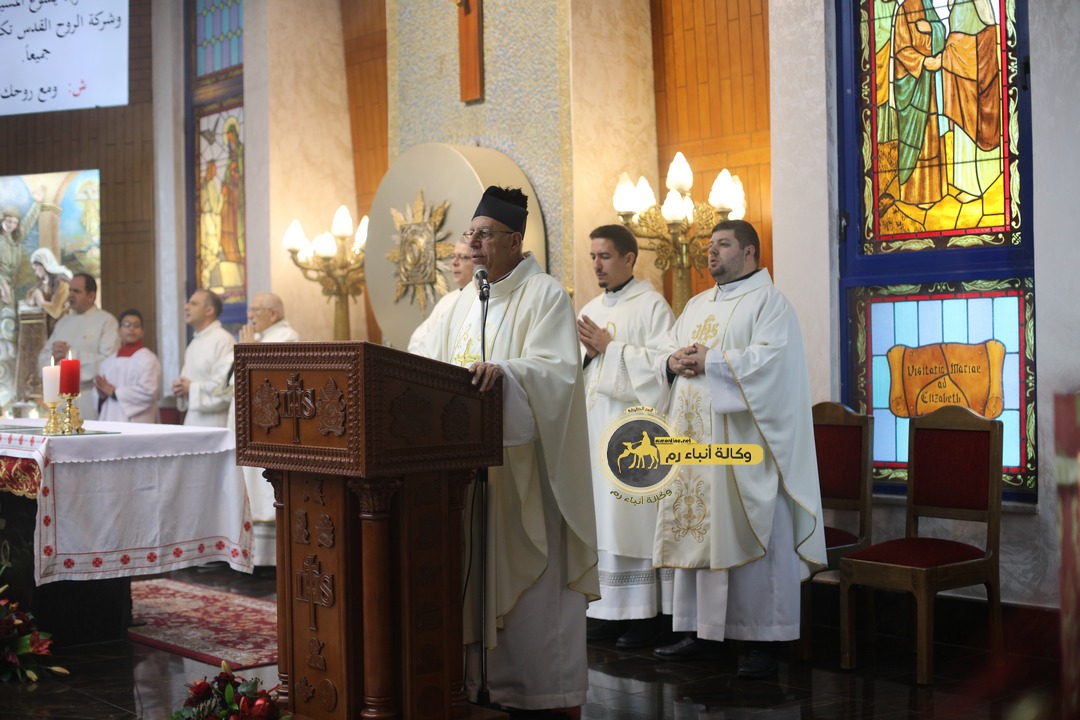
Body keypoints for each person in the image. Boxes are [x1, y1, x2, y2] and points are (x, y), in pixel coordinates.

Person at [415, 186, 598, 716]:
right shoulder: (460, 301)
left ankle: (540, 692)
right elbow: (424, 362)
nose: (473, 242)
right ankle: (478, 683)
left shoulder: (545, 295)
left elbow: (557, 373)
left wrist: (508, 374)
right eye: (469, 233)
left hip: (526, 477)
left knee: (533, 599)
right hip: (468, 475)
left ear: (515, 240)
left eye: (485, 234)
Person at [651, 219, 826, 679]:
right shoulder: (695, 305)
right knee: (698, 529)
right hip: (694, 448)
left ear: (749, 252)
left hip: (745, 450)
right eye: (710, 245)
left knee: (751, 530)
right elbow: (666, 351)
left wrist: (712, 360)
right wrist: (672, 361)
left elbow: (773, 365)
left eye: (723, 245)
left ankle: (761, 639)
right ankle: (701, 632)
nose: (711, 253)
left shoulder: (771, 303)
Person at [576, 224, 674, 649]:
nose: (596, 265)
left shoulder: (653, 306)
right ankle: (606, 611)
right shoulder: (590, 308)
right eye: (593, 257)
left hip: (634, 435)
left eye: (605, 256)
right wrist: (586, 354)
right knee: (601, 522)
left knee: (630, 521)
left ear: (629, 258)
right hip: (595, 431)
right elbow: (577, 372)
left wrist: (610, 347)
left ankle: (643, 615)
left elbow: (666, 370)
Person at [230, 291, 301, 567]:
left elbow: (275, 384)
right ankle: (248, 556)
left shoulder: (287, 337)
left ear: (273, 313)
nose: (249, 315)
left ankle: (268, 560)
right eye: (249, 310)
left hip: (268, 428)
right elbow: (233, 382)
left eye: (256, 310)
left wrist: (249, 351)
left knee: (262, 489)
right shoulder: (259, 337)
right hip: (246, 426)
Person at [37, 273, 120, 420]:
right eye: (70, 290)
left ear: (91, 296)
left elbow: (109, 363)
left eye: (76, 291)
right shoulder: (63, 322)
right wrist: (53, 359)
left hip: (90, 398)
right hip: (60, 399)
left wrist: (71, 355)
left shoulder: (106, 321)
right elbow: (44, 356)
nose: (70, 295)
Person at [891, 0, 947, 207]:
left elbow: (941, 29)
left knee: (931, 133)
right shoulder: (904, 10)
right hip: (912, 84)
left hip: (928, 83)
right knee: (915, 138)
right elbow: (901, 49)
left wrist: (932, 28)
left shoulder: (927, 5)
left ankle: (934, 191)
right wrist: (923, 61)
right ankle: (914, 194)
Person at [172, 289, 235, 427]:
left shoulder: (223, 340)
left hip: (214, 423)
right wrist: (181, 388)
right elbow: (187, 381)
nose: (186, 307)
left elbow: (225, 390)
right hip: (192, 420)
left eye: (194, 304)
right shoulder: (193, 344)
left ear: (209, 310)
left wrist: (191, 388)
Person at [94, 309, 162, 423]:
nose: (131, 329)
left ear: (142, 331)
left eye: (136, 325)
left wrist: (115, 393)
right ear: (119, 331)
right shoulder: (108, 362)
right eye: (127, 325)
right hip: (110, 418)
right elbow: (98, 394)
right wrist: (101, 395)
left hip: (138, 421)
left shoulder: (149, 359)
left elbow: (148, 393)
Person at [407, 238, 474, 353]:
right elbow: (416, 341)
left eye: (462, 257)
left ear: (478, 262)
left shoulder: (482, 300)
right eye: (453, 256)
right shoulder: (447, 301)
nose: (454, 262)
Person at [24, 247, 72, 328]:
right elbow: (30, 294)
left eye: (36, 268)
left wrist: (42, 303)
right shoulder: (45, 280)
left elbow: (56, 312)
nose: (36, 273)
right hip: (52, 325)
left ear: (44, 265)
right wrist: (32, 299)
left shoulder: (62, 283)